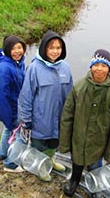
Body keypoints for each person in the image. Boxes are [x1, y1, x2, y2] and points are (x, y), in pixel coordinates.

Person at [59, 49, 110, 197]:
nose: (99, 69)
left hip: (99, 142)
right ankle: (74, 180)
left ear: (109, 68)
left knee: (95, 166)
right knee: (77, 161)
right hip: (78, 138)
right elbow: (67, 116)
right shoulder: (79, 87)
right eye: (96, 64)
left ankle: (95, 185)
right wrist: (64, 142)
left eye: (104, 65)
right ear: (91, 66)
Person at [17, 30, 73, 181]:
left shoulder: (65, 68)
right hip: (40, 121)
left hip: (58, 120)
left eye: (58, 48)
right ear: (44, 49)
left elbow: (70, 97)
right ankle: (40, 167)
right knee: (39, 146)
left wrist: (70, 117)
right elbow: (26, 97)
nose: (55, 51)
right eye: (51, 47)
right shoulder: (34, 68)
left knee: (53, 144)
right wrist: (26, 120)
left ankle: (51, 161)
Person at [0, 35, 27, 172]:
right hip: (10, 109)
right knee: (22, 133)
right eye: (13, 48)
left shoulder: (17, 63)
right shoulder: (3, 69)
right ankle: (11, 164)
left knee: (8, 129)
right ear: (7, 50)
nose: (17, 51)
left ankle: (2, 154)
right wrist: (7, 117)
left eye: (20, 48)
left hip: (16, 106)